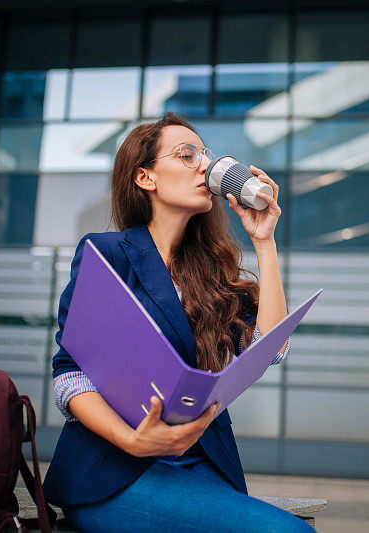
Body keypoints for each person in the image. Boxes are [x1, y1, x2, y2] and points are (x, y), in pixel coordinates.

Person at [42, 112, 314, 532]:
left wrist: (264, 242)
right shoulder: (108, 254)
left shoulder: (212, 273)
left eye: (204, 154)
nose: (205, 164)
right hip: (115, 467)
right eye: (187, 156)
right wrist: (132, 440)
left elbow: (271, 348)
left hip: (202, 459)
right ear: (145, 178)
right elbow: (70, 374)